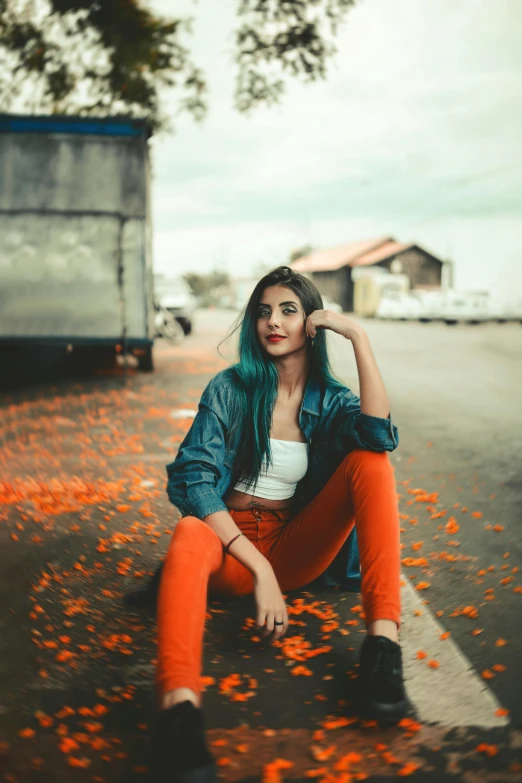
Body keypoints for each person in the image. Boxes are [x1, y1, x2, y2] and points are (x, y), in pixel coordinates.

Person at [151, 266, 408, 783]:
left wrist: (357, 335)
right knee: (188, 530)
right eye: (263, 311)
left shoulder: (329, 400)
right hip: (230, 550)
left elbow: (377, 434)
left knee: (372, 461)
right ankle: (180, 710)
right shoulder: (230, 388)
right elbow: (193, 481)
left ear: (311, 324)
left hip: (293, 547)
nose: (273, 322)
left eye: (288, 310)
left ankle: (382, 648)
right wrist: (259, 571)